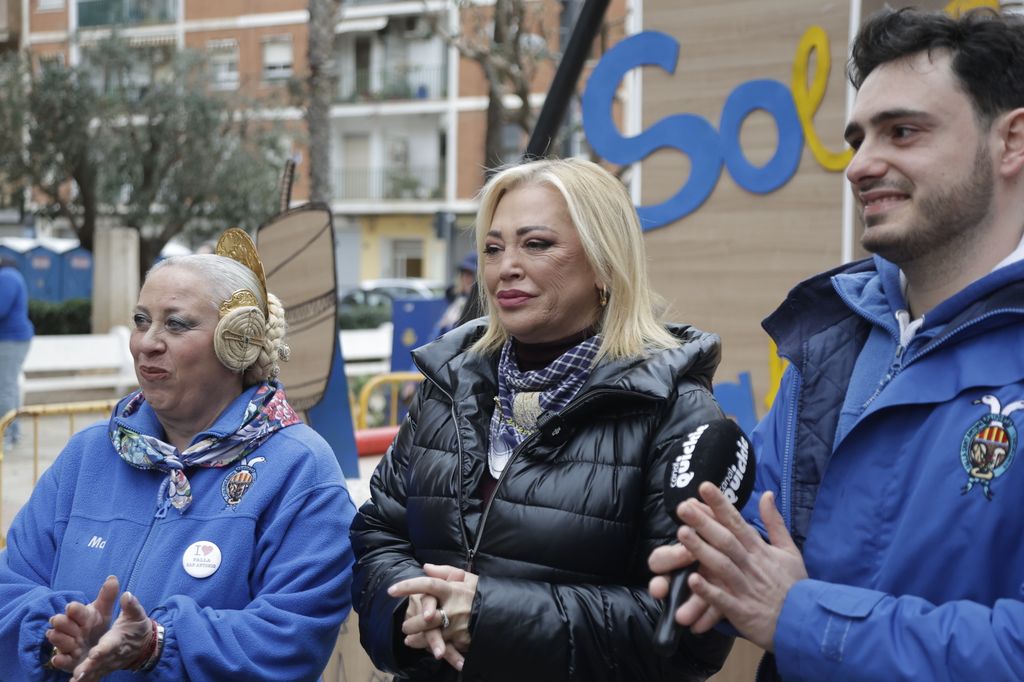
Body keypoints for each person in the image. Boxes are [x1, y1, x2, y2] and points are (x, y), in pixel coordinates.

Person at [649, 8, 1024, 681]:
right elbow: (757, 541)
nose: (860, 165)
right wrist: (702, 566)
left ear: (1013, 141)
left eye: (902, 132)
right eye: (856, 139)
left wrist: (800, 616)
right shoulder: (836, 338)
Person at [350, 157, 733, 681]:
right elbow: (378, 532)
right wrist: (408, 611)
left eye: (536, 244)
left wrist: (488, 617)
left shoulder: (676, 413)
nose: (505, 266)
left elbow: (685, 636)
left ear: (604, 262)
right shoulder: (448, 386)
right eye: (492, 247)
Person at [0, 229, 356, 680]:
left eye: (176, 323)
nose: (147, 341)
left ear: (239, 342)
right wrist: (56, 634)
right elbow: (9, 587)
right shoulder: (87, 454)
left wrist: (157, 645)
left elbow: (292, 636)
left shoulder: (300, 470)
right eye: (141, 319)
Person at [0, 258, 33, 444]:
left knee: (4, 388)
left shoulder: (8, 276)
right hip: (11, 339)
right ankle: (12, 433)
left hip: (10, 340)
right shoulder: (9, 275)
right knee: (8, 387)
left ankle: (6, 435)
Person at [435, 252, 477, 337]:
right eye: (463, 274)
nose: (466, 278)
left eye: (470, 274)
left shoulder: (484, 305)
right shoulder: (454, 298)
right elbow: (437, 334)